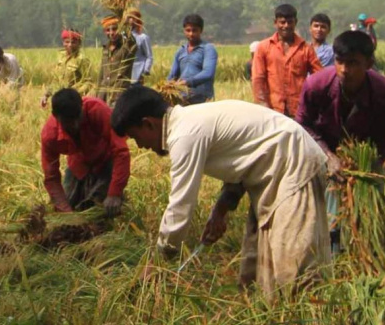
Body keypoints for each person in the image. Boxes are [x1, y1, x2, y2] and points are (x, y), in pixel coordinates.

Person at [111, 86, 330, 300]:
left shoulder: (184, 135)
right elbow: (242, 156)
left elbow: (180, 207)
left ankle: (312, 317)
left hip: (294, 163)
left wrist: (159, 260)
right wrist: (220, 210)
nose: (141, 146)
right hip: (271, 175)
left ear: (148, 124)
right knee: (257, 270)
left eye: (136, 137)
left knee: (294, 266)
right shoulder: (190, 122)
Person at [296, 31, 385, 254]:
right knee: (326, 214)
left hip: (364, 156)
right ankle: (329, 254)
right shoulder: (316, 85)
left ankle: (368, 251)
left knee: (369, 215)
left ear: (369, 64)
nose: (344, 70)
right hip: (323, 150)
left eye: (353, 63)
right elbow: (302, 124)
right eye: (339, 61)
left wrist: (369, 166)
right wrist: (329, 157)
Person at [41, 88, 130, 217]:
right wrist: (66, 213)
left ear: (82, 107)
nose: (75, 125)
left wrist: (114, 193)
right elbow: (51, 177)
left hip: (105, 160)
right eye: (68, 122)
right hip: (78, 165)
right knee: (65, 208)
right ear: (56, 116)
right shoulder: (50, 135)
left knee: (102, 210)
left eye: (78, 117)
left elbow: (121, 152)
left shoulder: (98, 110)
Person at [252, 4, 322, 117]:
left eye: (290, 22)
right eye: (282, 22)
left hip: (299, 110)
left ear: (296, 22)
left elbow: (319, 77)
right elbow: (258, 79)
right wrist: (263, 105)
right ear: (275, 22)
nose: (286, 26)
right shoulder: (264, 47)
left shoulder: (306, 48)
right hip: (273, 110)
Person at [166, 14, 218, 104]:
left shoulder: (208, 49)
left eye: (195, 30)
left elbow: (208, 73)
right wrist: (166, 85)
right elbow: (172, 75)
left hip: (202, 100)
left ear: (201, 31)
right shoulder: (180, 51)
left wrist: (187, 82)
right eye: (188, 30)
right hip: (183, 99)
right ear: (184, 31)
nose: (191, 34)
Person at [42, 29, 93, 108]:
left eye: (73, 42)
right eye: (67, 42)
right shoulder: (61, 57)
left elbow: (88, 82)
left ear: (79, 43)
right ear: (63, 42)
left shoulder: (82, 59)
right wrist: (46, 95)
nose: (70, 45)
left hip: (73, 101)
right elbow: (56, 80)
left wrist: (74, 94)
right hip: (59, 99)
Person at [96, 15, 137, 106]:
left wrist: (127, 26)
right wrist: (97, 95)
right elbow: (101, 75)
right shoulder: (105, 49)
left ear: (120, 29)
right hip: (104, 94)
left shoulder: (126, 47)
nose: (111, 33)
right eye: (108, 30)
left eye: (114, 29)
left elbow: (132, 41)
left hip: (119, 94)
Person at [128, 9, 153, 84]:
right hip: (126, 75)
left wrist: (145, 70)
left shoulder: (143, 38)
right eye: (129, 18)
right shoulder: (123, 37)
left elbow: (149, 56)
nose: (131, 20)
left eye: (133, 18)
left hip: (138, 73)